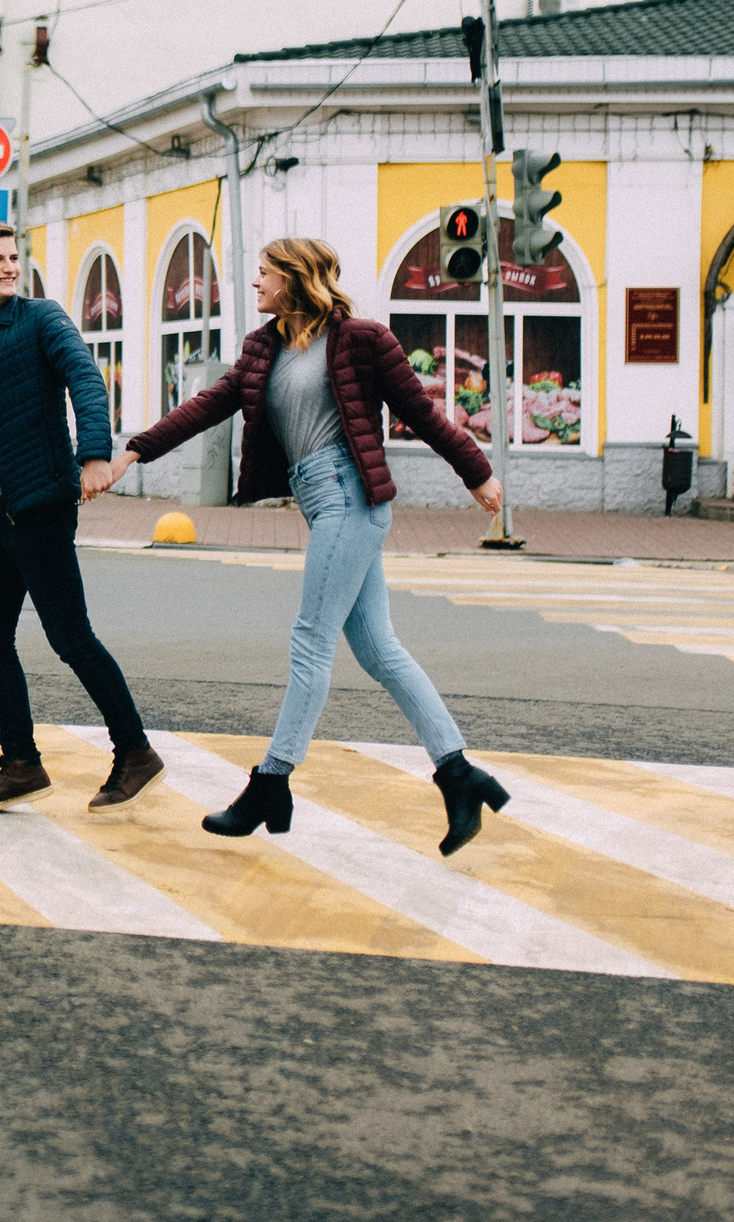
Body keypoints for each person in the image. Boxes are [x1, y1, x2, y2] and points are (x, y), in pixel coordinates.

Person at [108, 237, 511, 855]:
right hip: (321, 501)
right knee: (379, 651)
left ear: (296, 279)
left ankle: (271, 781)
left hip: (351, 497)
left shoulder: (362, 340)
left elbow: (423, 413)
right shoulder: (263, 348)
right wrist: (136, 450)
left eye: (264, 273)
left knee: (310, 640)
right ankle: (459, 775)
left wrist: (476, 472)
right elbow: (208, 404)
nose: (255, 284)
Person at [0, 218, 164, 815]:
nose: (9, 267)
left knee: (69, 636)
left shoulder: (41, 318)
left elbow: (86, 381)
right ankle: (21, 764)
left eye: (14, 257)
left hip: (37, 503)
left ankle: (135, 753)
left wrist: (93, 455)